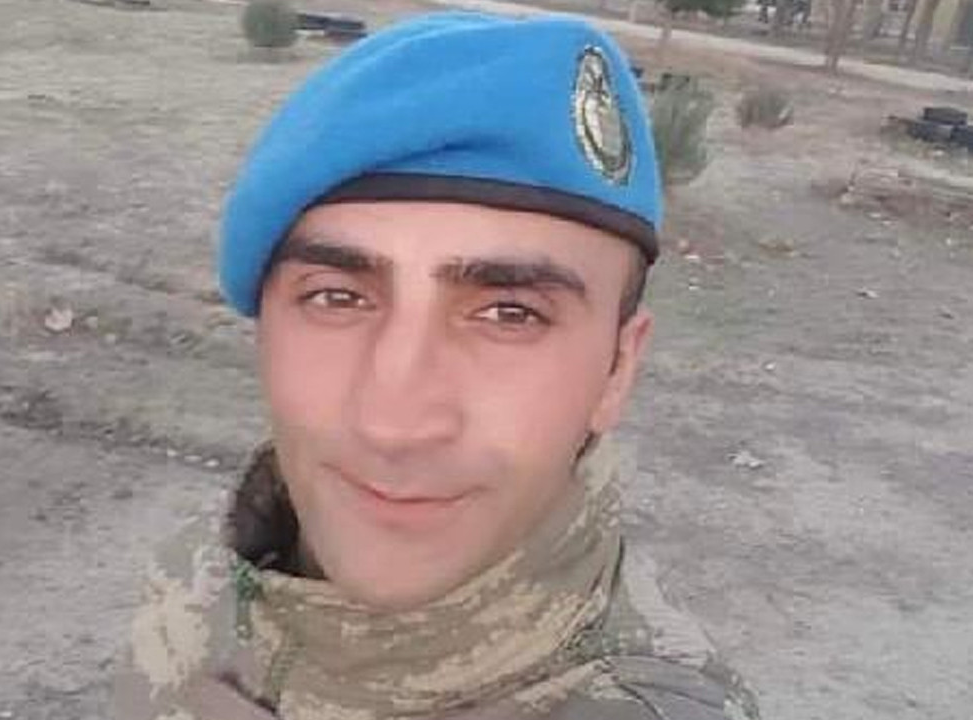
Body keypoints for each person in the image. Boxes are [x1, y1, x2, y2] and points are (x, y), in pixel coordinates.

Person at [117, 11, 760, 720]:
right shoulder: (200, 576)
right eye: (337, 298)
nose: (394, 425)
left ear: (617, 371)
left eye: (510, 314)